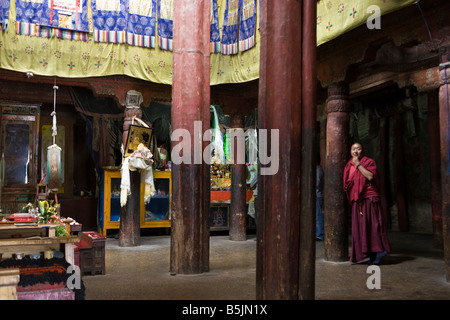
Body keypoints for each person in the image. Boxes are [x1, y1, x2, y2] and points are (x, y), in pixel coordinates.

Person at [343, 142, 391, 265]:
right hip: (357, 200)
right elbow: (347, 184)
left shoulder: (368, 162)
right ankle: (369, 253)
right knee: (361, 228)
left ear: (362, 151)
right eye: (353, 149)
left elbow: (370, 176)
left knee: (373, 226)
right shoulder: (349, 165)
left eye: (358, 149)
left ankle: (380, 251)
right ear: (350, 151)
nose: (355, 151)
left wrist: (358, 164)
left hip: (370, 198)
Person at [316, 158, 324, 241]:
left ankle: (320, 234)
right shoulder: (317, 169)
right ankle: (318, 233)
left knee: (318, 215)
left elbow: (317, 183)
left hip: (317, 195)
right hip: (317, 195)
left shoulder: (318, 170)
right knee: (317, 215)